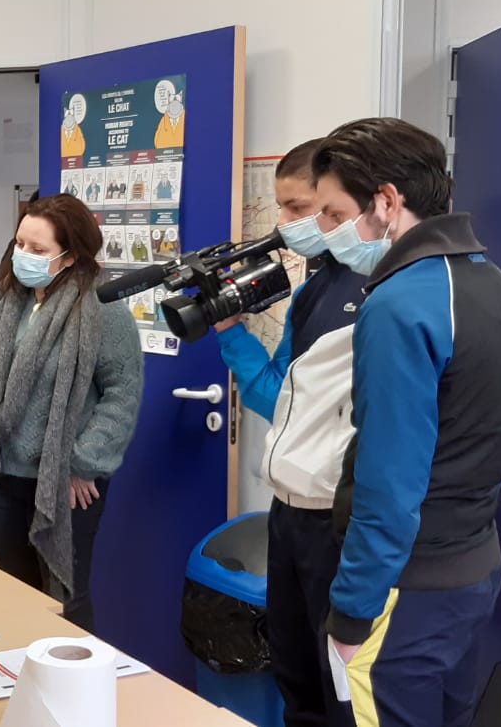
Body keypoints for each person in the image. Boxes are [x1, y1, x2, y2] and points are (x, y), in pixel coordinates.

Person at [315, 118, 501, 727]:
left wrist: (352, 612)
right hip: (470, 570)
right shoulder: (493, 280)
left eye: (337, 213)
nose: (331, 231)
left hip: (405, 589)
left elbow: (390, 481)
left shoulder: (400, 302)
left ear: (387, 201)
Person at [213, 138, 365, 727]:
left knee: (338, 690)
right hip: (290, 511)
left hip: (337, 517)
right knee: (295, 674)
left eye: (300, 209)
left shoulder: (375, 290)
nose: (285, 226)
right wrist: (230, 330)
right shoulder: (314, 287)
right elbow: (277, 396)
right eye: (281, 209)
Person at [0, 194, 143, 631]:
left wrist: (85, 463)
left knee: (63, 596)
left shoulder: (102, 309)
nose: (23, 256)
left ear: (70, 254)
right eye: (20, 244)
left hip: (65, 481)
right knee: (14, 590)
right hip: (1, 474)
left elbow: (122, 393)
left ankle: (74, 690)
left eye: (38, 250)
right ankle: (21, 685)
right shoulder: (3, 301)